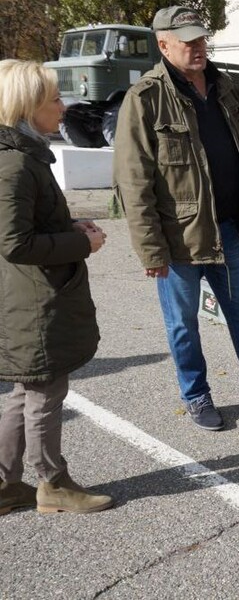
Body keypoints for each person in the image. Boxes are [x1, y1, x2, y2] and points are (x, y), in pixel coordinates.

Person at [113, 6, 239, 431]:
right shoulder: (145, 99)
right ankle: (197, 395)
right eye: (188, 41)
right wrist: (150, 247)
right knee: (183, 325)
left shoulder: (225, 87)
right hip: (177, 237)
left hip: (226, 228)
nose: (199, 47)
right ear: (163, 45)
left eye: (201, 39)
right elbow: (133, 182)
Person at [0, 59, 114, 514]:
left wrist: (68, 224)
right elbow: (15, 242)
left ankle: (6, 484)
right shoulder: (14, 164)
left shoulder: (22, 157)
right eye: (53, 99)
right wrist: (81, 242)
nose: (63, 107)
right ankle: (53, 485)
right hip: (34, 301)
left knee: (25, 393)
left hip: (30, 296)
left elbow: (25, 225)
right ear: (28, 107)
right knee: (44, 394)